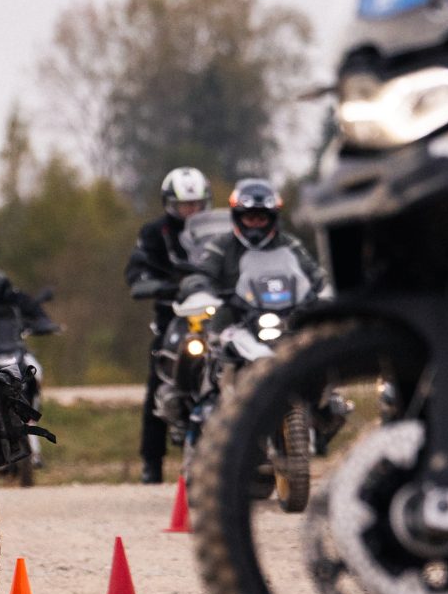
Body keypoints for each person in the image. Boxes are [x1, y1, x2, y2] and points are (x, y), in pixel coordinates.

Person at [124, 167, 211, 484]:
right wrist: (154, 285)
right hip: (173, 314)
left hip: (216, 314)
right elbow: (136, 271)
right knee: (158, 378)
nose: (191, 211)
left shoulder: (220, 232)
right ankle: (152, 462)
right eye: (185, 205)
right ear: (170, 204)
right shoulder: (154, 233)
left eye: (197, 204)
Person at [182, 178, 328, 310]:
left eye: (262, 218)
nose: (256, 224)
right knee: (209, 329)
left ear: (272, 219)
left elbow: (312, 270)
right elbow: (203, 273)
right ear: (238, 217)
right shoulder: (221, 245)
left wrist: (323, 284)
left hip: (289, 313)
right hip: (236, 316)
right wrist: (199, 289)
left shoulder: (288, 243)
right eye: (250, 218)